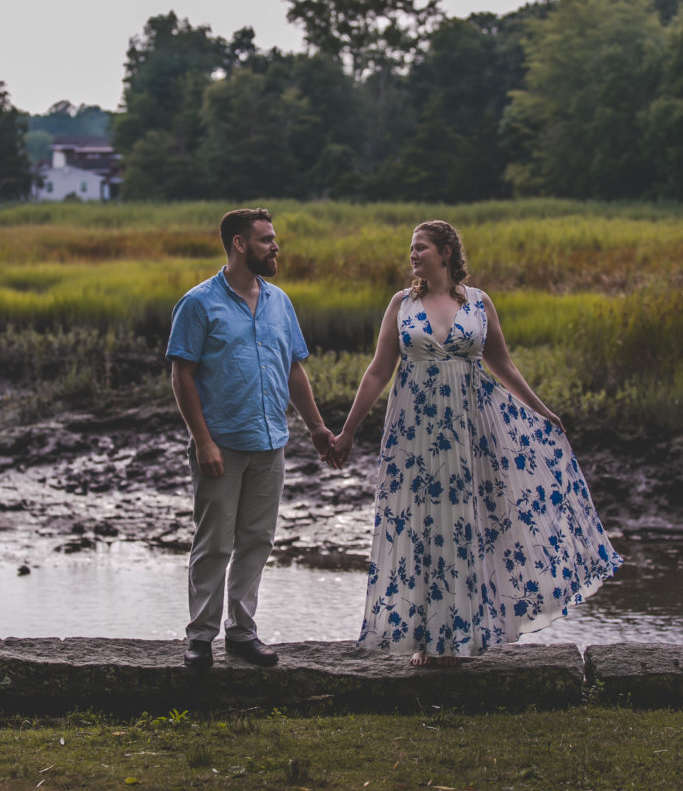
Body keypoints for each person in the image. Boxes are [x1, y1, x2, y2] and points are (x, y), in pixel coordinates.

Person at [329, 220, 622, 666]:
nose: (412, 255)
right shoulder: (402, 304)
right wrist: (348, 431)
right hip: (416, 435)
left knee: (469, 528)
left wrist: (542, 410)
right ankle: (429, 640)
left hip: (471, 434)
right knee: (424, 526)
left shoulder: (480, 303)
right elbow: (377, 370)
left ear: (446, 252)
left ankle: (463, 637)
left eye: (421, 247)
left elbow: (501, 362)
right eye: (411, 248)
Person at [167, 207, 334, 669]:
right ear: (240, 244)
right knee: (214, 542)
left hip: (270, 443)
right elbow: (182, 376)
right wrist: (202, 441)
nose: (275, 246)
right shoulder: (198, 303)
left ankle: (242, 632)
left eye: (274, 239)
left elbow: (294, 370)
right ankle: (200, 637)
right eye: (266, 240)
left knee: (257, 540)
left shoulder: (280, 302)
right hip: (221, 444)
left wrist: (316, 426)